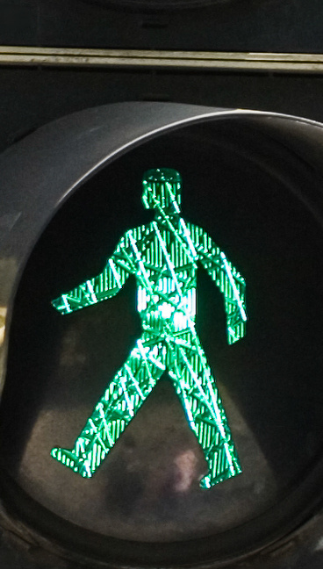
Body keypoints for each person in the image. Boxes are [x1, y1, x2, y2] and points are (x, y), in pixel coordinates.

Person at [49, 167, 249, 487]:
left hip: (175, 334)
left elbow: (227, 275)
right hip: (161, 332)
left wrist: (236, 317)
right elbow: (108, 285)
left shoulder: (177, 236)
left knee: (187, 400)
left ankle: (222, 463)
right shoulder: (147, 238)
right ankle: (86, 456)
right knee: (136, 395)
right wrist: (66, 303)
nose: (148, 195)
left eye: (152, 190)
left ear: (157, 195)